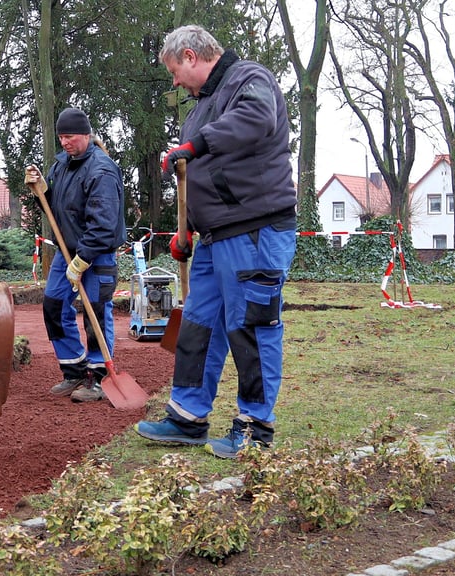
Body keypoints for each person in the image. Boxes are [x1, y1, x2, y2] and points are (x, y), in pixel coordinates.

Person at [133, 25, 297, 458]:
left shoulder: (250, 79)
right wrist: (185, 230)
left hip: (255, 230)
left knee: (252, 327)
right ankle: (187, 418)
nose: (174, 82)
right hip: (214, 236)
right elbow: (198, 174)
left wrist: (195, 144)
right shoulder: (200, 108)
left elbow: (255, 120)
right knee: (198, 324)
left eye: (174, 71)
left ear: (191, 56)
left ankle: (255, 427)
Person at [24, 108, 126, 403]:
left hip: (98, 253)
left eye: (69, 136)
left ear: (85, 135)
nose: (64, 142)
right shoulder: (62, 166)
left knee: (96, 312)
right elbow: (55, 209)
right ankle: (75, 370)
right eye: (61, 137)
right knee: (54, 304)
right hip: (66, 250)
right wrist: (40, 189)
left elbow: (104, 225)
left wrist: (82, 261)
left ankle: (100, 377)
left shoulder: (101, 170)